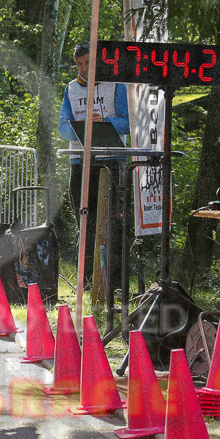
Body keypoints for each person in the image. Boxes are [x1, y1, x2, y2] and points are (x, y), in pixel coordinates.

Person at [57, 42, 129, 289]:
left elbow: (129, 123)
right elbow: (63, 128)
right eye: (79, 64)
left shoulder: (116, 85)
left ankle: (115, 284)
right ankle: (87, 281)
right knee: (85, 222)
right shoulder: (70, 89)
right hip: (81, 161)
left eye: (88, 62)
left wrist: (105, 121)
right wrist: (83, 126)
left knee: (113, 223)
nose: (84, 68)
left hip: (111, 159)